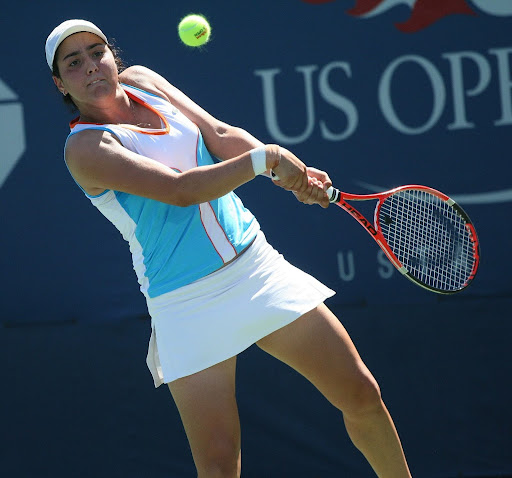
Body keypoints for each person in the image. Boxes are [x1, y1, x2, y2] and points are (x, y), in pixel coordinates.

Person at [46, 19, 413, 478]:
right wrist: (266, 160)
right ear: (62, 83)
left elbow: (219, 134)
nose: (91, 67)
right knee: (220, 467)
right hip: (186, 305)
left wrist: (288, 175)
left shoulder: (145, 81)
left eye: (96, 52)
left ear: (112, 57)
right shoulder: (84, 149)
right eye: (73, 63)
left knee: (361, 392)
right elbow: (180, 190)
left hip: (256, 270)